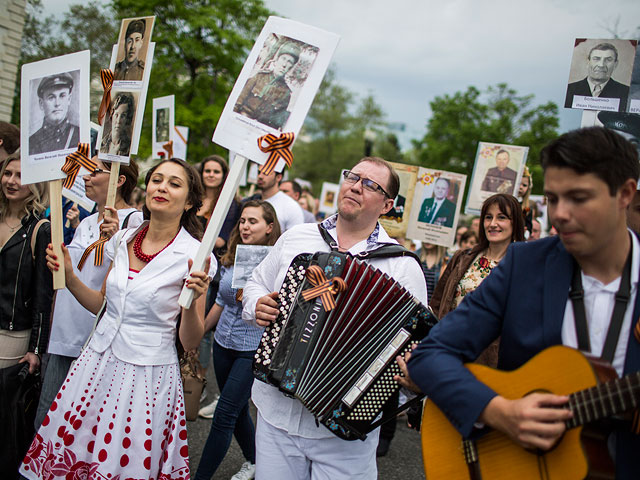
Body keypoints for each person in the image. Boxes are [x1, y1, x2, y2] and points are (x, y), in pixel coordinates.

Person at [404, 127, 640, 478]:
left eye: (578, 197)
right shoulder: (525, 265)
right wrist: (500, 413)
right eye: (554, 199)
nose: (559, 214)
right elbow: (430, 354)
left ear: (624, 194)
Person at [21, 158, 216, 480]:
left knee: (122, 459)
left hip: (147, 375)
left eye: (174, 183)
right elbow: (101, 304)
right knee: (77, 452)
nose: (162, 187)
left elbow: (190, 341)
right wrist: (69, 276)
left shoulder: (196, 256)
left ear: (191, 201)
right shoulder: (123, 240)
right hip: (96, 363)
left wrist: (191, 300)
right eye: (157, 180)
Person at [242, 157, 427, 479]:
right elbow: (256, 282)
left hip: (344, 427)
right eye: (353, 177)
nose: (356, 186)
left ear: (387, 205)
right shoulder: (297, 237)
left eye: (371, 184)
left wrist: (408, 379)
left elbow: (416, 344)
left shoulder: (402, 266)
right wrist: (257, 303)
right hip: (276, 415)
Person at [34, 158, 142, 430]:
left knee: (77, 426)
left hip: (94, 338)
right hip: (64, 333)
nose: (85, 177)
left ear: (119, 179)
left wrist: (118, 238)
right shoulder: (86, 221)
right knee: (45, 421)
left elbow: (132, 277)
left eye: (95, 172)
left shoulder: (134, 220)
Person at [195, 201, 281, 480]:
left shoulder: (280, 263)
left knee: (224, 414)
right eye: (243, 220)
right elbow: (220, 301)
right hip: (223, 344)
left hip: (253, 349)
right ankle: (254, 459)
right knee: (238, 409)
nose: (245, 226)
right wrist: (197, 336)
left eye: (253, 221)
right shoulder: (232, 253)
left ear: (269, 228)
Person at [0, 152, 52, 475]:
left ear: (35, 184)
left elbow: (44, 296)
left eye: (21, 175)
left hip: (12, 336)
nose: (12, 181)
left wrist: (36, 348)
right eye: (8, 173)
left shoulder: (39, 228)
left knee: (5, 422)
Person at [430, 194, 525, 367]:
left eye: (501, 217)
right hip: (446, 354)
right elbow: (436, 304)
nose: (493, 223)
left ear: (515, 222)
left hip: (489, 365)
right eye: (488, 217)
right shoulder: (462, 257)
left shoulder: (522, 268)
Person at [196, 155, 241, 417]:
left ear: (224, 175)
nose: (211, 174)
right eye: (207, 170)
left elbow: (223, 241)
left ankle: (199, 380)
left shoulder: (230, 204)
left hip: (212, 270)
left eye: (216, 171)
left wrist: (201, 239)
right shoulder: (195, 197)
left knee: (203, 327)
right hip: (189, 264)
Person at [233, 43, 300, 130]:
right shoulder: (259, 77)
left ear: (291, 67)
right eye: (283, 59)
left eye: (289, 62)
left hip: (259, 130)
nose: (284, 64)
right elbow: (237, 102)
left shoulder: (286, 93)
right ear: (276, 60)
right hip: (241, 121)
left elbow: (276, 124)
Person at [565, 43, 629, 112]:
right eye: (596, 59)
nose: (601, 65)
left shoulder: (627, 93)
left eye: (608, 60)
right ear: (588, 62)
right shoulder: (569, 90)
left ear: (615, 64)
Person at [29, 73, 79, 155]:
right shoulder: (31, 142)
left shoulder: (81, 135)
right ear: (41, 103)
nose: (57, 103)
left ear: (69, 99)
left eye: (62, 96)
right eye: (51, 97)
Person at [519, 166, 533, 236]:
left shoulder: (527, 208)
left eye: (524, 185)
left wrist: (526, 232)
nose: (521, 187)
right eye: (519, 183)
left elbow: (529, 226)